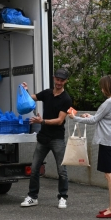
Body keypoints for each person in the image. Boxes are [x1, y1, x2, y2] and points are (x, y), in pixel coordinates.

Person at [69, 75, 111, 218]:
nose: (101, 89)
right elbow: (102, 118)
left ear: (107, 87)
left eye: (102, 86)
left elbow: (94, 120)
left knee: (109, 175)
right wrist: (89, 116)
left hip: (107, 140)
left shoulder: (109, 102)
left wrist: (74, 118)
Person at [20, 68, 72, 209]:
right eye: (57, 79)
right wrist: (24, 90)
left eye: (62, 80)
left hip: (57, 138)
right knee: (34, 168)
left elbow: (60, 120)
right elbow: (32, 98)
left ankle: (62, 197)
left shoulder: (66, 99)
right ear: (54, 78)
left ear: (66, 81)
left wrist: (41, 121)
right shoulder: (47, 93)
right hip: (43, 137)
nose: (59, 82)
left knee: (62, 170)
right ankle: (32, 197)